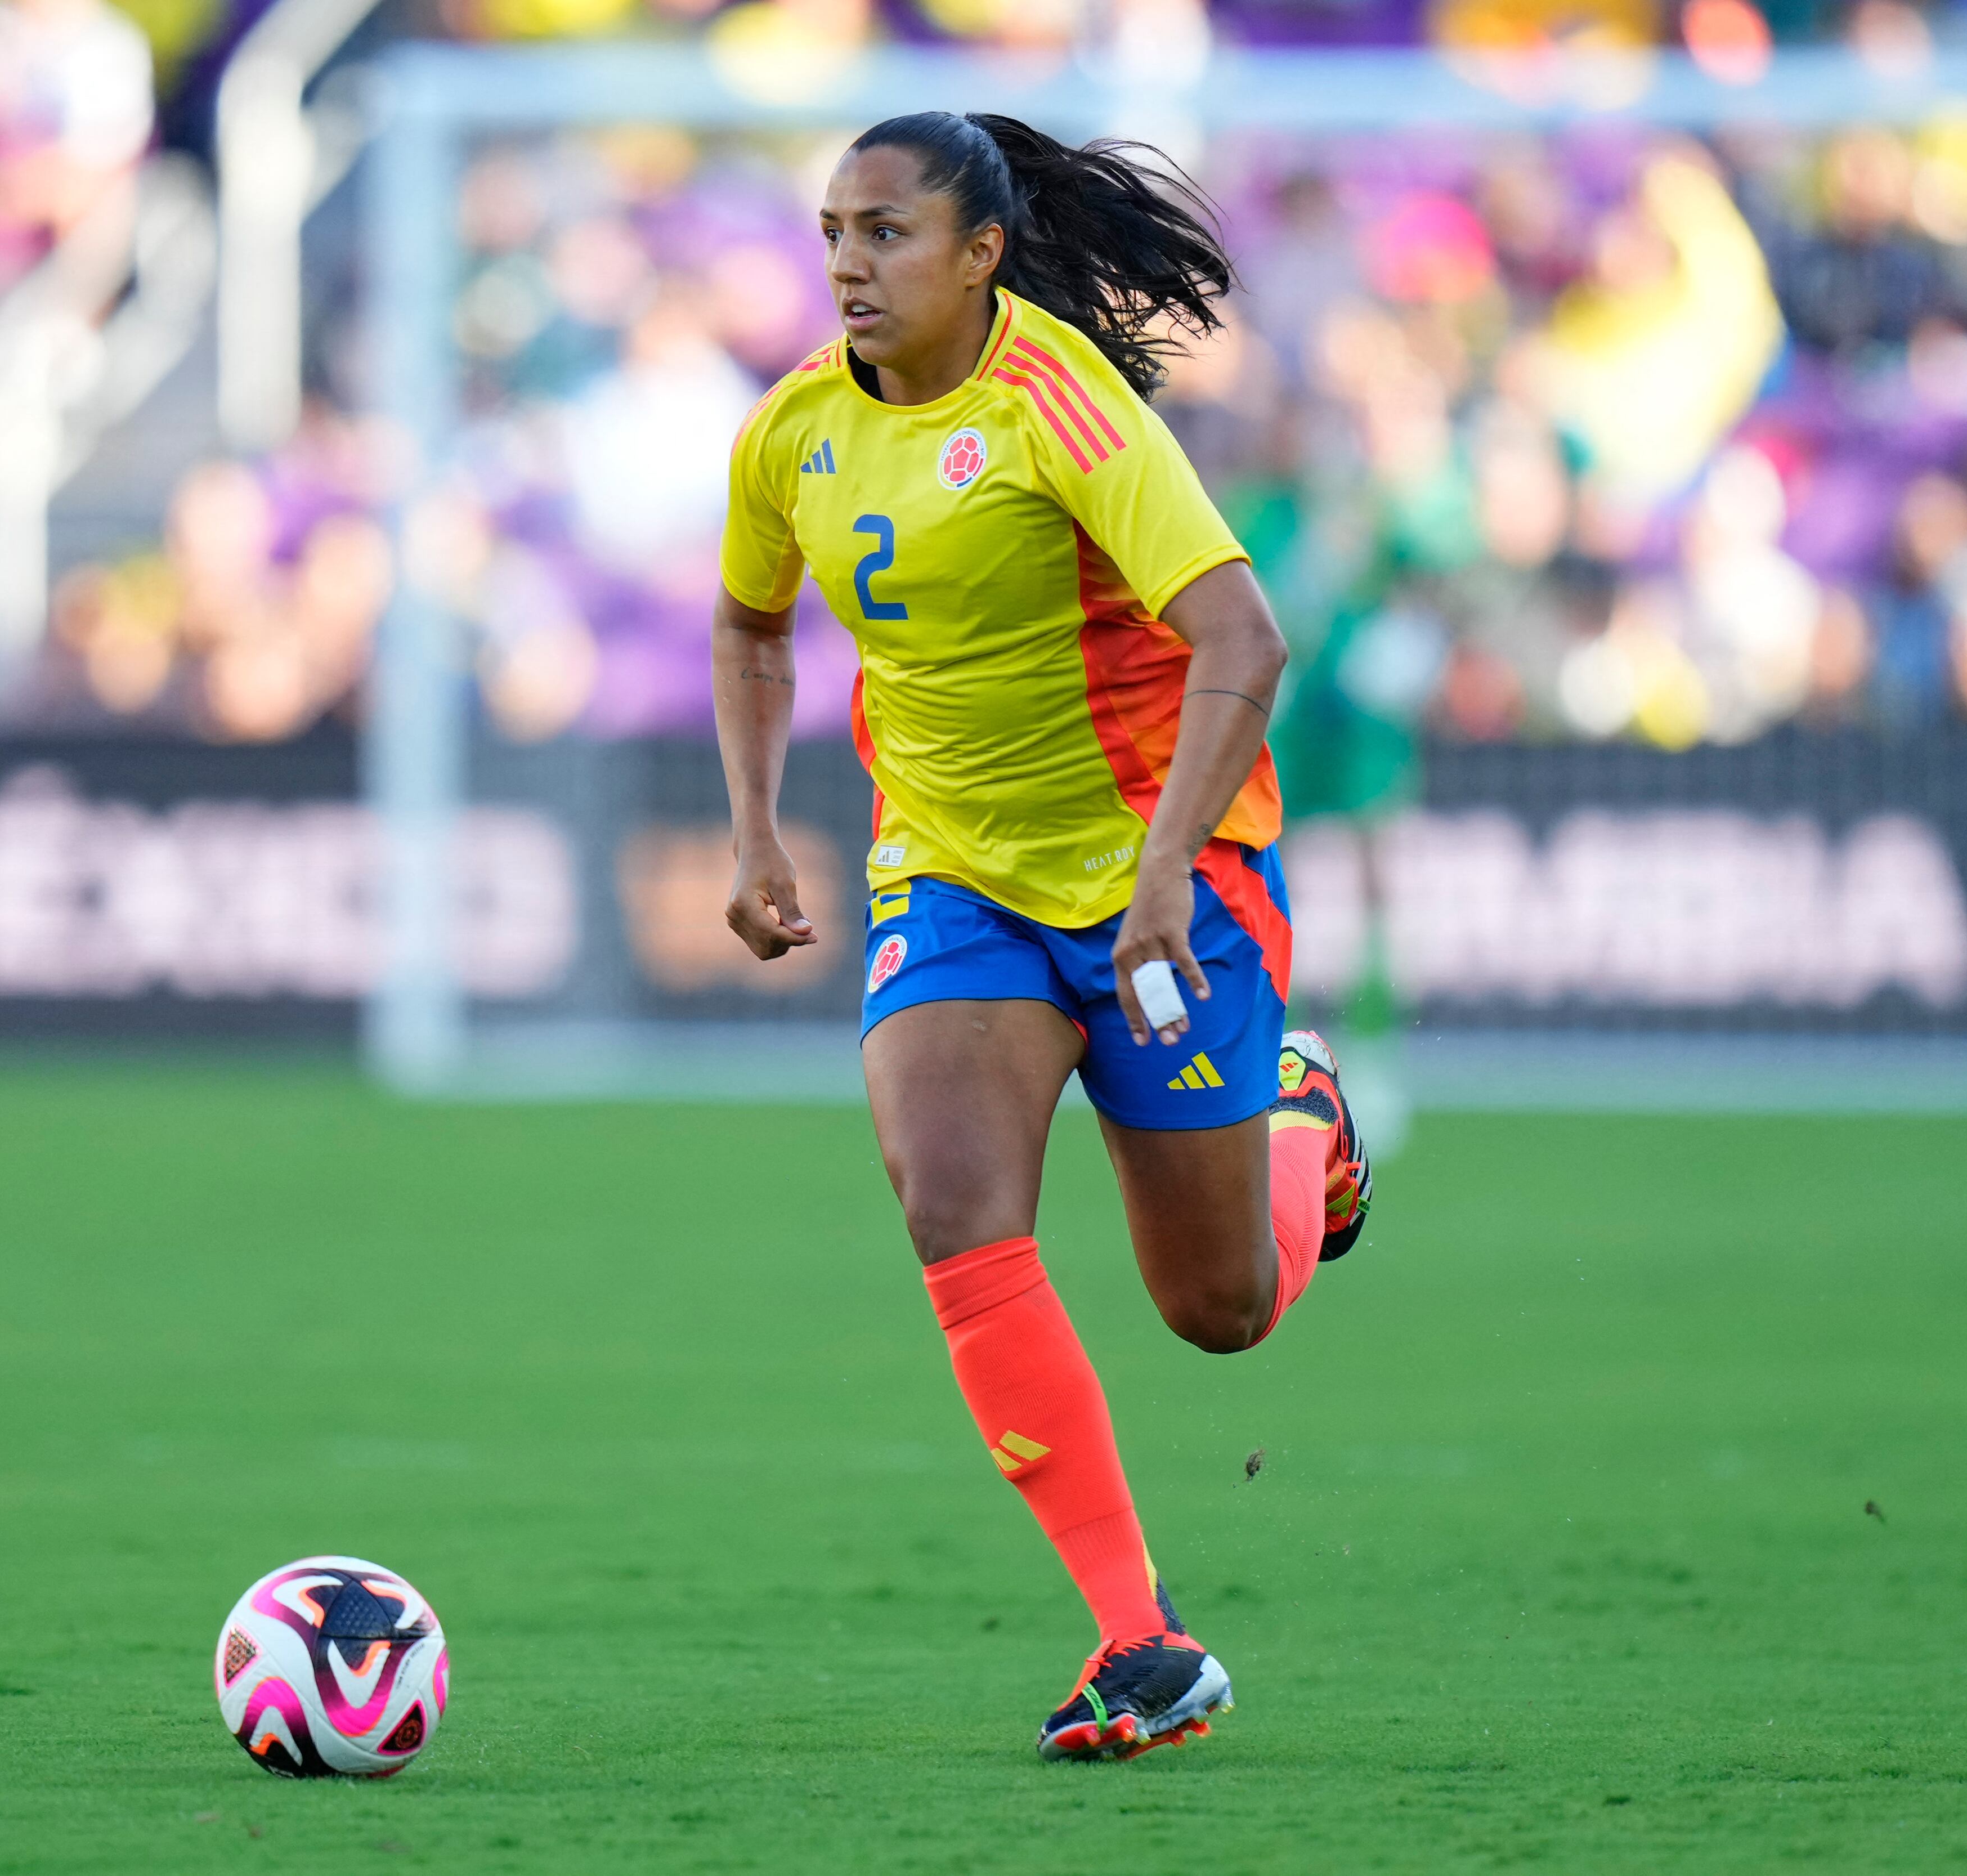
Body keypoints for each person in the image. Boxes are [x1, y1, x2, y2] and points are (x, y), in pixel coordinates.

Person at [710, 111, 1375, 1763]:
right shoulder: (794, 430)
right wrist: (753, 827)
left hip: (1167, 873)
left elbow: (1245, 632)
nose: (851, 266)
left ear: (982, 253)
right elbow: (747, 622)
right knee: (950, 1202)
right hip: (951, 880)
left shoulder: (1060, 404)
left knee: (1218, 1309)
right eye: (834, 235)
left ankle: (1306, 1130)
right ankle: (1140, 1642)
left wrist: (1160, 873)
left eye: (888, 235)